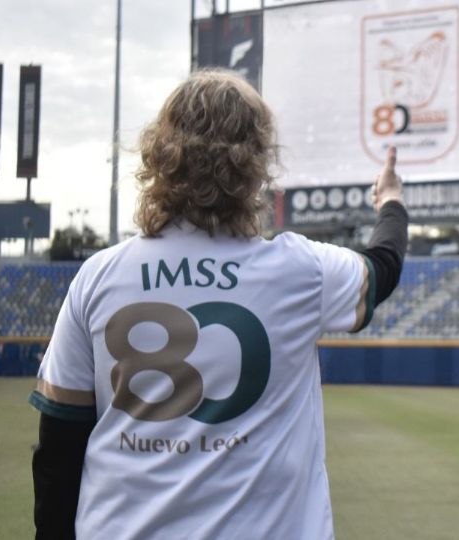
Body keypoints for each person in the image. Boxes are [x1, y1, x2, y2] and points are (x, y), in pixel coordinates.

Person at [29, 69, 408, 539]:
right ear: (256, 162)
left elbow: (58, 450)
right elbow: (383, 266)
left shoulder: (98, 276)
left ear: (161, 153)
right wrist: (391, 202)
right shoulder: (300, 271)